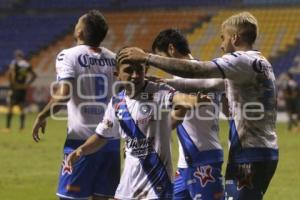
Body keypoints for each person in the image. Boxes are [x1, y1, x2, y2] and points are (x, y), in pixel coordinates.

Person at [118, 12, 278, 200]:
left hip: (245, 154)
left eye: (223, 37)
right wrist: (159, 83)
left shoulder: (240, 60)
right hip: (260, 150)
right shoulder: (261, 63)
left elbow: (197, 71)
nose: (221, 43)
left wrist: (148, 58)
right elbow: (208, 84)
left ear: (235, 37)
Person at [66, 52, 211, 200]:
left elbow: (179, 98)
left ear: (145, 71)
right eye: (129, 71)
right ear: (117, 74)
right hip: (127, 186)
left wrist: (194, 100)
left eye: (139, 70)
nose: (135, 75)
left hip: (156, 185)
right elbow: (101, 136)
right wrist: (81, 150)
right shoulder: (117, 102)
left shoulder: (157, 91)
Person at [32, 10, 120, 200]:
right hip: (110, 141)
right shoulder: (114, 59)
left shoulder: (68, 56)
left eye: (77, 23)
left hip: (81, 141)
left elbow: (63, 96)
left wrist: (42, 116)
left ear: (80, 32)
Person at [151, 29, 224, 200]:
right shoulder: (205, 70)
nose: (161, 65)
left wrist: (146, 134)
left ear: (171, 49)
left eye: (160, 59)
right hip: (188, 161)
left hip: (202, 158)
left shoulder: (183, 79)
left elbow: (177, 117)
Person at [5, 49, 37, 131]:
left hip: (15, 88)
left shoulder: (14, 63)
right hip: (23, 88)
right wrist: (27, 84)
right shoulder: (26, 64)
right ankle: (22, 127)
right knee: (22, 107)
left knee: (10, 107)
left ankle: (8, 127)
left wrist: (12, 84)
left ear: (16, 56)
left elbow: (10, 74)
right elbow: (34, 75)